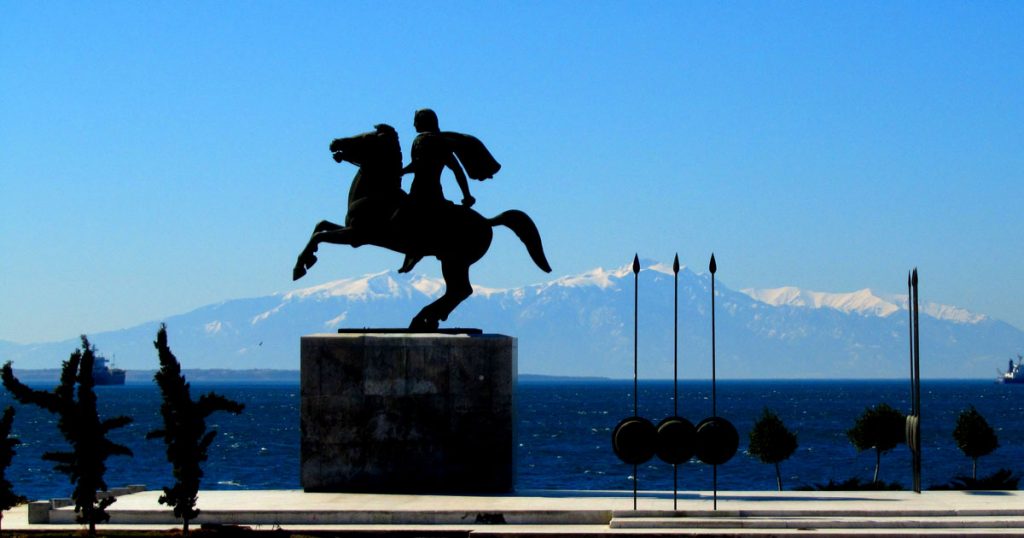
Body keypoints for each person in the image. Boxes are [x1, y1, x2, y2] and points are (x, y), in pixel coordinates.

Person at [396, 109, 497, 273]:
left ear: (423, 122)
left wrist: (401, 171)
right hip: (436, 192)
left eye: (416, 120)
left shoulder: (421, 140)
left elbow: (418, 164)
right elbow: (457, 170)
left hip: (421, 192)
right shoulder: (440, 141)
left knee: (401, 217)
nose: (413, 124)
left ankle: (415, 250)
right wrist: (466, 194)